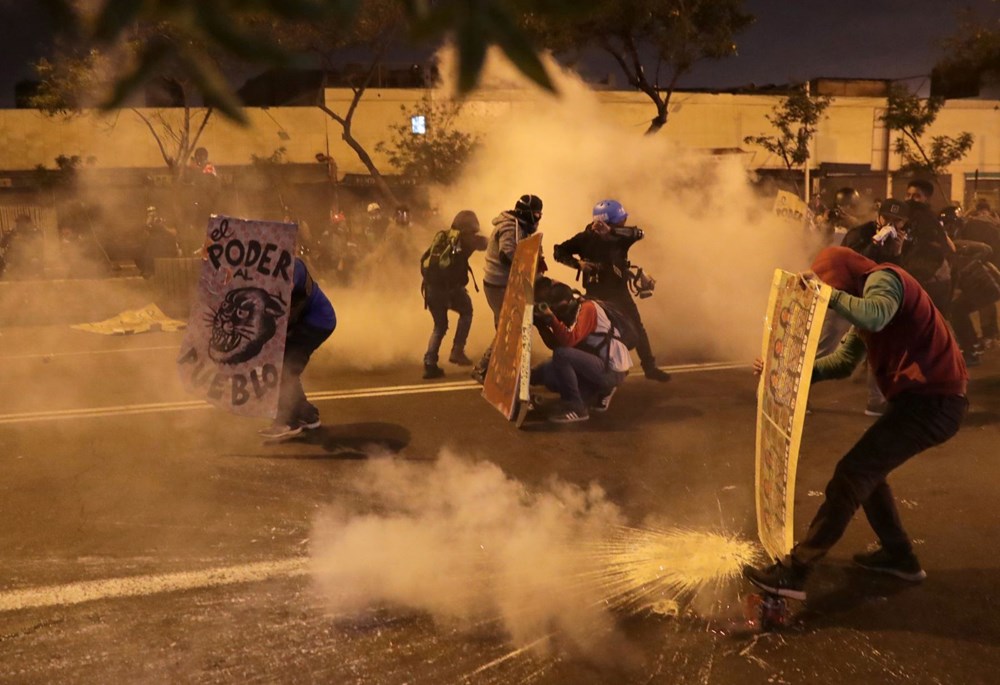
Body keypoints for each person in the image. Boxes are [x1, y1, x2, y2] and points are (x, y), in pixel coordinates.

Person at [743, 246, 967, 600]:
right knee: (867, 473)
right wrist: (783, 371)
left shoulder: (884, 279)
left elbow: (875, 316)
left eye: (836, 290)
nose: (836, 302)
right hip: (923, 402)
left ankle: (796, 572)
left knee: (852, 474)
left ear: (844, 277)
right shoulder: (866, 302)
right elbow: (842, 363)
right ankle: (900, 557)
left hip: (934, 402)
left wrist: (826, 294)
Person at [553, 199, 670, 381]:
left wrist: (611, 231)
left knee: (636, 327)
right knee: (589, 330)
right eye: (620, 221)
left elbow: (638, 233)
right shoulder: (585, 238)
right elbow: (559, 251)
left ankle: (649, 367)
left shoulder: (620, 238)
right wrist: (578, 264)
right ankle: (584, 368)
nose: (623, 223)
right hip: (595, 294)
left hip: (619, 292)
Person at [530, 280, 632, 423]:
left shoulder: (588, 308)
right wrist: (541, 326)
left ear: (569, 302)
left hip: (611, 370)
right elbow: (555, 345)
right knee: (549, 374)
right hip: (596, 365)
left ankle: (577, 408)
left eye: (560, 308)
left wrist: (552, 319)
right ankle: (596, 392)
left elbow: (568, 341)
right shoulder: (571, 309)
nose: (558, 313)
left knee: (561, 355)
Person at [260, 257, 338, 439]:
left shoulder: (293, 266)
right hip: (304, 321)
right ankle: (308, 416)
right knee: (282, 366)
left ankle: (289, 421)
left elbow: (282, 298)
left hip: (317, 322)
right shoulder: (268, 265)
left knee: (285, 367)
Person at [471, 194, 546, 383]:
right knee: (507, 329)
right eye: (537, 214)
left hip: (500, 283)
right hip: (499, 285)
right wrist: (528, 268)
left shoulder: (518, 225)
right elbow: (507, 254)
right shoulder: (510, 226)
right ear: (529, 213)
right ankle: (483, 368)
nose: (538, 218)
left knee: (506, 328)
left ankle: (500, 367)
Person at [420, 210, 488, 379]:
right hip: (450, 289)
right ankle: (457, 350)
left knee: (439, 326)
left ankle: (430, 363)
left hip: (430, 289)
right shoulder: (467, 239)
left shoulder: (443, 236)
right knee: (467, 311)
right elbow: (485, 244)